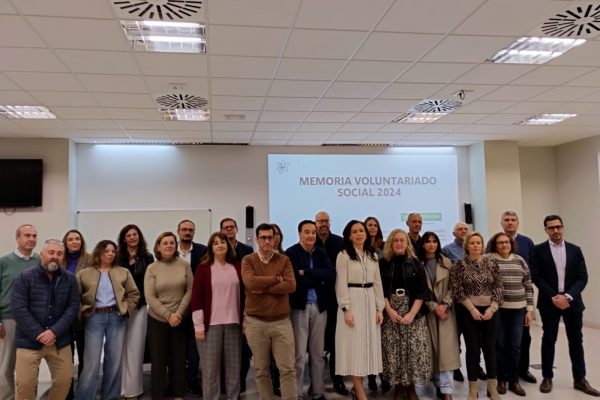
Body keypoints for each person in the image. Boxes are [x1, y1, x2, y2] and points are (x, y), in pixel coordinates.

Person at [530, 215, 600, 397]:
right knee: (549, 339)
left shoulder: (575, 250)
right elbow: (536, 276)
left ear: (562, 228)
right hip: (549, 302)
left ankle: (580, 379)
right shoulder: (538, 250)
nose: (555, 230)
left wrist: (568, 296)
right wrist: (554, 296)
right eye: (551, 228)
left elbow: (582, 277)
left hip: (572, 302)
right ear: (546, 230)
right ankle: (547, 377)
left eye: (558, 227)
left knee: (576, 340)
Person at [11, 239, 79, 400]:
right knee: (25, 384)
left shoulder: (70, 279)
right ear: (41, 255)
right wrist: (40, 333)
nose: (55, 256)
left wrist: (54, 331)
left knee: (64, 380)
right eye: (51, 252)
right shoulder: (24, 277)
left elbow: (73, 307)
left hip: (59, 340)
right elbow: (19, 309)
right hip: (29, 340)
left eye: (59, 253)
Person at [75, 240, 140, 400]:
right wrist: (83, 311)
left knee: (114, 360)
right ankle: (85, 397)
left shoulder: (123, 272)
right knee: (92, 362)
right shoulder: (84, 273)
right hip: (93, 318)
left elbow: (134, 294)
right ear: (99, 252)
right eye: (106, 251)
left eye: (113, 251)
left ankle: (110, 397)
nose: (110, 254)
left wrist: (125, 309)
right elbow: (75, 297)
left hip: (116, 317)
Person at [242, 223, 297, 400]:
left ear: (275, 239)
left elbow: (290, 286)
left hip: (281, 322)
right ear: (257, 240)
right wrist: (275, 279)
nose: (267, 241)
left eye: (270, 237)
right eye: (263, 238)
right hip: (256, 323)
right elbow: (250, 283)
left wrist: (261, 288)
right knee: (261, 370)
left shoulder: (284, 260)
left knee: (287, 368)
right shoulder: (248, 260)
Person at [335, 220, 384, 400]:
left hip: (370, 302)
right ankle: (359, 390)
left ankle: (357, 389)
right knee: (354, 348)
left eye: (361, 230)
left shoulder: (372, 255)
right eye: (354, 231)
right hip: (352, 303)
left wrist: (380, 308)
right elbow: (341, 283)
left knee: (365, 348)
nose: (359, 234)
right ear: (349, 236)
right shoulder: (343, 255)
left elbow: (377, 282)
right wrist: (346, 308)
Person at [450, 232, 503, 400]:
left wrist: (492, 308)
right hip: (468, 312)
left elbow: (498, 287)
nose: (475, 245)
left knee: (490, 348)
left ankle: (492, 387)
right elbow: (457, 290)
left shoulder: (492, 264)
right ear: (467, 246)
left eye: (478, 243)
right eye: (472, 243)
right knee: (472, 349)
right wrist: (472, 309)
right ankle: (473, 389)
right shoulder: (459, 265)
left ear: (482, 245)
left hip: (490, 312)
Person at [191, 232, 244, 400]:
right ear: (211, 248)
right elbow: (196, 298)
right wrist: (198, 325)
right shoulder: (203, 268)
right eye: (215, 243)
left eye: (223, 242)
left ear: (228, 245)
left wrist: (245, 320)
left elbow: (245, 296)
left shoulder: (237, 266)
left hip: (234, 324)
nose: (220, 245)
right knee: (210, 370)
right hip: (210, 326)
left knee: (234, 368)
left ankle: (233, 397)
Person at [286, 220, 335, 400]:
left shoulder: (320, 252)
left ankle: (317, 391)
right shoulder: (291, 253)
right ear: (299, 234)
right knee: (299, 355)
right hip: (299, 308)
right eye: (306, 232)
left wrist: (305, 272)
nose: (311, 235)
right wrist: (318, 278)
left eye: (313, 232)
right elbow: (295, 282)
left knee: (317, 354)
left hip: (319, 308)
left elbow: (330, 274)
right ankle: (297, 393)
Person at [379, 228, 431, 400]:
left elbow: (423, 291)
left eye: (402, 240)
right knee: (395, 351)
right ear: (390, 243)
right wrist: (389, 311)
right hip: (391, 312)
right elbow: (380, 290)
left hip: (413, 312)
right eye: (396, 240)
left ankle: (412, 388)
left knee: (413, 352)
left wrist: (412, 314)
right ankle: (399, 387)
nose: (399, 243)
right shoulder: (383, 263)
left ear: (407, 243)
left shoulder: (416, 263)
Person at [145, 232, 193, 400]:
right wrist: (168, 315)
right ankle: (158, 395)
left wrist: (178, 313)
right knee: (158, 360)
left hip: (180, 318)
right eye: (164, 243)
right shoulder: (152, 268)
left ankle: (178, 393)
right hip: (157, 319)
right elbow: (150, 296)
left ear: (175, 245)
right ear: (158, 247)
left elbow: (190, 290)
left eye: (172, 242)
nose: (168, 246)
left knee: (179, 359)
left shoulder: (184, 265)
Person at [485, 232, 533, 396]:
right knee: (499, 345)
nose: (504, 245)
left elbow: (528, 285)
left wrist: (529, 309)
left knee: (515, 346)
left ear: (511, 244)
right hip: (498, 310)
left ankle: (514, 381)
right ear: (495, 245)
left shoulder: (520, 260)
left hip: (519, 310)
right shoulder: (489, 260)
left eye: (507, 242)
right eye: (500, 242)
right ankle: (501, 380)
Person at [418, 231, 460, 400]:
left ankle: (447, 389)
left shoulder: (446, 262)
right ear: (423, 244)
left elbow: (453, 286)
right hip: (428, 312)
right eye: (428, 241)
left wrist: (444, 304)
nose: (432, 244)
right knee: (432, 351)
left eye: (434, 241)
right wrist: (434, 306)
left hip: (446, 312)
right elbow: (419, 289)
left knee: (447, 352)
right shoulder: (418, 263)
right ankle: (437, 384)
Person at [0, 224, 39, 400]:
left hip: (34, 320)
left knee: (31, 365)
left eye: (34, 236)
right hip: (9, 319)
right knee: (6, 365)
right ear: (18, 238)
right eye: (27, 235)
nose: (31, 239)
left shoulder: (40, 261)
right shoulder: (4, 262)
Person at [117, 224, 154, 399]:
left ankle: (133, 390)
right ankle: (120, 389)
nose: (132, 237)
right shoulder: (118, 258)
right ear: (124, 239)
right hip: (119, 308)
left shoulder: (148, 257)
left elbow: (150, 283)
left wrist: (138, 302)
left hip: (139, 308)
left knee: (135, 348)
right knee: (119, 348)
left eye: (135, 234)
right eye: (129, 235)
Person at [499, 210, 537, 384]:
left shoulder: (527, 242)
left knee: (523, 337)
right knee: (502, 339)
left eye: (513, 220)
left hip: (521, 299)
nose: (510, 222)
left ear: (517, 223)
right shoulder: (495, 241)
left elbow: (533, 269)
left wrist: (529, 306)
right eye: (506, 220)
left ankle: (523, 370)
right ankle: (505, 372)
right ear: (502, 223)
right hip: (501, 302)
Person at [314, 211, 347, 395]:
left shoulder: (340, 242)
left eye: (326, 220)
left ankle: (338, 380)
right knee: (316, 344)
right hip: (317, 299)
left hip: (336, 299)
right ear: (315, 223)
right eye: (320, 221)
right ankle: (315, 383)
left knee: (336, 343)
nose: (323, 224)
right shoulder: (311, 243)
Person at [220, 217, 254, 392]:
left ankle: (240, 381)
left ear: (237, 229)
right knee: (224, 348)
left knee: (243, 348)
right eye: (225, 227)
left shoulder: (247, 250)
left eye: (231, 227)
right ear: (221, 231)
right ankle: (224, 384)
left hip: (244, 302)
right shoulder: (218, 251)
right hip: (223, 304)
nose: (229, 229)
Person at [176, 219, 207, 395]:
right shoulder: (170, 250)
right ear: (178, 231)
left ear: (194, 232)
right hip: (174, 306)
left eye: (190, 230)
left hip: (196, 306)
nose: (187, 232)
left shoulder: (203, 251)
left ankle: (192, 381)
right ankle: (175, 381)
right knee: (175, 347)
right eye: (184, 229)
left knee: (194, 347)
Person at [61, 229, 92, 400]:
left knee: (85, 355)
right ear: (65, 243)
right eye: (70, 239)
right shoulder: (59, 260)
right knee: (66, 356)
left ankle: (84, 392)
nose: (74, 242)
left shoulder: (90, 260)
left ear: (82, 241)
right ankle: (68, 393)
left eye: (77, 239)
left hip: (83, 313)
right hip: (63, 314)